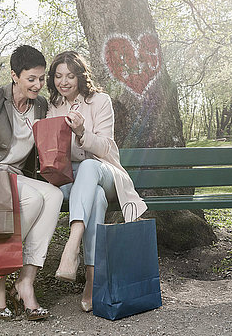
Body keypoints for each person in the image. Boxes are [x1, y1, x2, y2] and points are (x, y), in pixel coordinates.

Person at [0, 45, 63, 321]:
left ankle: (24, 281)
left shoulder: (40, 105)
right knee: (34, 199)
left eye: (41, 79)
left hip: (16, 177)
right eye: (32, 79)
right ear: (15, 76)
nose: (38, 85)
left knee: (53, 196)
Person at [46, 51, 148, 312]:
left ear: (80, 76)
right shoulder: (53, 106)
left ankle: (72, 245)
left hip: (105, 172)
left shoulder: (100, 101)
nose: (64, 82)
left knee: (90, 167)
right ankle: (92, 279)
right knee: (96, 199)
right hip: (72, 180)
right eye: (58, 76)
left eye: (70, 75)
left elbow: (106, 148)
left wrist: (82, 132)